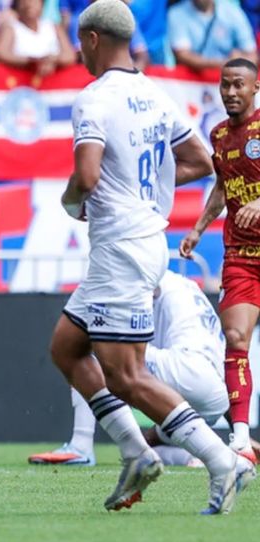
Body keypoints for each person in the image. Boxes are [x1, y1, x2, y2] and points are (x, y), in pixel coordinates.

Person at [51, 0, 254, 515]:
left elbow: (89, 176)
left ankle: (222, 460)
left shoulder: (93, 99)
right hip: (140, 243)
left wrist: (72, 199)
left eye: (81, 42)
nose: (80, 51)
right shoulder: (155, 95)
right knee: (67, 348)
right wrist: (148, 190)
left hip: (121, 247)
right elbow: (199, 161)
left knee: (128, 375)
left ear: (93, 39)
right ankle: (136, 452)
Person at [31, 271, 231, 467]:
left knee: (89, 347)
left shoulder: (146, 275)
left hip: (185, 368)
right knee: (157, 441)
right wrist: (240, 434)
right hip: (216, 397)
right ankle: (215, 457)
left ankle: (81, 446)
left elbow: (146, 288)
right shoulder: (185, 285)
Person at [180, 58, 260, 464]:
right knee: (236, 340)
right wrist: (198, 228)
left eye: (238, 85)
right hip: (242, 258)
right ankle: (242, 439)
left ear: (255, 87)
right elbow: (223, 186)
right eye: (225, 85)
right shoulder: (218, 136)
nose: (230, 92)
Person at [0, 0, 76, 78]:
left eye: (34, 1)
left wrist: (52, 60)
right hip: (22, 83)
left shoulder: (53, 27)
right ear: (17, 5)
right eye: (24, 1)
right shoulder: (12, 28)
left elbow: (70, 56)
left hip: (52, 84)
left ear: (42, 4)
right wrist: (30, 62)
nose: (29, 4)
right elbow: (1, 53)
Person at [168, 0, 256, 72]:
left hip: (229, 80)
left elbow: (252, 54)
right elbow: (183, 55)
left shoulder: (232, 11)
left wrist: (240, 59)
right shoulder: (176, 13)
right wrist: (226, 63)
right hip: (193, 84)